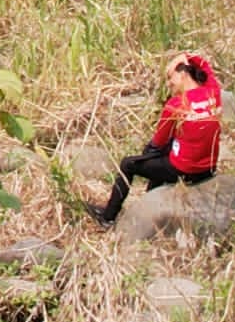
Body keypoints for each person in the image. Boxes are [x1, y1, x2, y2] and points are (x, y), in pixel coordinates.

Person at [94, 52, 225, 224]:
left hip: (185, 171)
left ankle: (108, 217)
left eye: (170, 77)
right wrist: (184, 56)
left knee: (128, 164)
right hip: (208, 168)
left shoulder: (176, 105)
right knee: (162, 154)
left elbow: (159, 141)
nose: (169, 83)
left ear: (183, 74)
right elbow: (204, 64)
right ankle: (150, 200)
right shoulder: (213, 93)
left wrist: (147, 152)